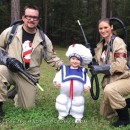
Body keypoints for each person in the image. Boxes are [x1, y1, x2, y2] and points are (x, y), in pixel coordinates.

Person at [0, 5, 63, 119]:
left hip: (29, 76)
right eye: (28, 16)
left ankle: (16, 92)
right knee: (0, 71)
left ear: (38, 20)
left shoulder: (43, 38)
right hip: (10, 70)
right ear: (23, 17)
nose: (31, 19)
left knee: (27, 108)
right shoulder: (11, 31)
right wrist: (6, 59)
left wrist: (63, 66)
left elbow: (51, 57)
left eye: (34, 17)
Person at [90, 18, 130, 127]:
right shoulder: (100, 45)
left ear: (111, 27)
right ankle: (127, 103)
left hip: (125, 78)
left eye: (106, 27)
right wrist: (90, 58)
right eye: (100, 28)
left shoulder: (118, 42)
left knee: (109, 90)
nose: (103, 30)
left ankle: (125, 119)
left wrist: (99, 69)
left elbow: (120, 65)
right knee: (105, 113)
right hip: (112, 80)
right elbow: (99, 64)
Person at [53, 44, 92, 123]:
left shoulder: (83, 71)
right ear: (70, 59)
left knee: (78, 103)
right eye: (73, 58)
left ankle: (77, 116)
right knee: (62, 101)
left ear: (80, 61)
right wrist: (57, 82)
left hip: (77, 94)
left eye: (78, 59)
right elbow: (58, 76)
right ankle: (62, 113)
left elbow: (86, 80)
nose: (75, 61)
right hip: (64, 93)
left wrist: (87, 86)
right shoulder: (64, 69)